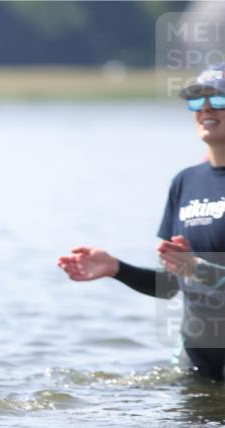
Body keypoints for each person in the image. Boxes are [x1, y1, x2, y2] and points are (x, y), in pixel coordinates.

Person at [58, 65, 225, 381]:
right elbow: (171, 286)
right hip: (197, 359)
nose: (204, 109)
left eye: (217, 100)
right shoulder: (185, 182)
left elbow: (198, 271)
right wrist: (116, 269)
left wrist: (198, 268)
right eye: (196, 101)